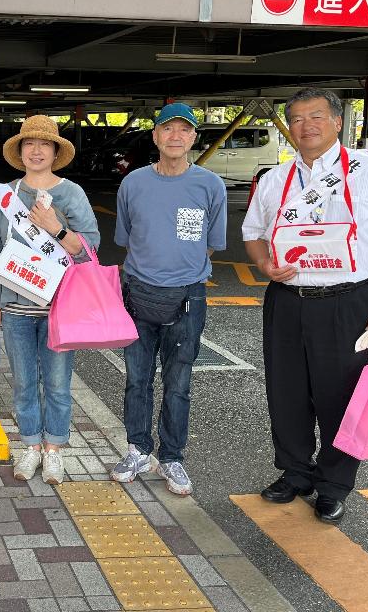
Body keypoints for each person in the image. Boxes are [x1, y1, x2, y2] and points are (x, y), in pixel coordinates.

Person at [242, 88, 368, 524]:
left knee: (342, 395)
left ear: (338, 122)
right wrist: (263, 264)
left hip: (348, 301)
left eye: (316, 116)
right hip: (287, 301)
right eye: (297, 119)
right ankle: (295, 471)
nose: (307, 126)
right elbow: (253, 233)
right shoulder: (275, 179)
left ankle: (334, 484)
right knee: (287, 391)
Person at [112, 103, 226, 496]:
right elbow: (127, 238)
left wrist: (181, 269)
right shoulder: (133, 183)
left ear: (194, 137)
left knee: (178, 382)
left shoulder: (210, 185)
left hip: (188, 295)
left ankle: (172, 457)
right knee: (137, 378)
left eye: (184, 129)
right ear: (155, 136)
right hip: (137, 291)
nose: (175, 136)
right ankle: (138, 450)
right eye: (167, 128)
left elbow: (211, 244)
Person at [0, 116, 100, 485]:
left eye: (45, 144)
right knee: (24, 383)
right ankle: (30, 445)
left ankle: (54, 449)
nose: (36, 151)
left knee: (57, 383)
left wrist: (56, 227)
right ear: (20, 151)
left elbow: (90, 248)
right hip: (15, 306)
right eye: (29, 143)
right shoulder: (6, 195)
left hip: (59, 307)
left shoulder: (71, 194)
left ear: (56, 152)